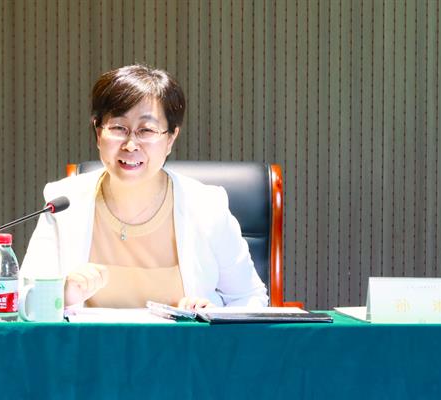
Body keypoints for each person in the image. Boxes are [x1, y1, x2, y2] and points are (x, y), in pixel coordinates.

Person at [21, 64, 268, 310]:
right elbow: (23, 299)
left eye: (146, 130)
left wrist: (210, 317)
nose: (130, 144)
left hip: (182, 338)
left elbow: (250, 298)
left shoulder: (206, 207)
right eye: (118, 128)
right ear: (98, 133)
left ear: (170, 138)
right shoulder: (65, 203)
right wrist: (61, 295)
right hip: (94, 338)